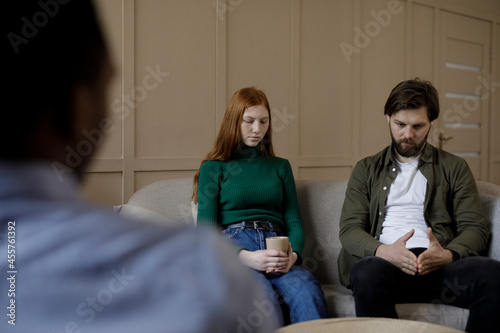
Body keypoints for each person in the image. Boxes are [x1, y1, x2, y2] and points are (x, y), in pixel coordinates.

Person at [1, 1, 278, 332]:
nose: (257, 128)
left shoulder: (278, 171)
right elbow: (208, 228)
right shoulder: (203, 271)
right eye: (105, 87)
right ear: (76, 107)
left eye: (264, 121)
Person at [338, 78, 500, 333]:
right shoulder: (366, 169)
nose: (408, 134)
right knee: (365, 271)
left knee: (492, 273)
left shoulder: (454, 167)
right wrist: (384, 251)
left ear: (431, 123)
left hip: (440, 270)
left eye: (418, 126)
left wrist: (448, 254)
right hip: (386, 269)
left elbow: (475, 228)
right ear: (387, 118)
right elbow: (349, 229)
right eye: (400, 124)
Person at [193, 87, 328, 326]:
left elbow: (294, 222)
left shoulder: (280, 166)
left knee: (307, 291)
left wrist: (293, 255)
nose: (257, 129)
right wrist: (245, 258)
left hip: (277, 243)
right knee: (261, 300)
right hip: (236, 244)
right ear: (234, 121)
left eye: (263, 121)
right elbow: (206, 233)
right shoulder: (213, 168)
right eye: (249, 121)